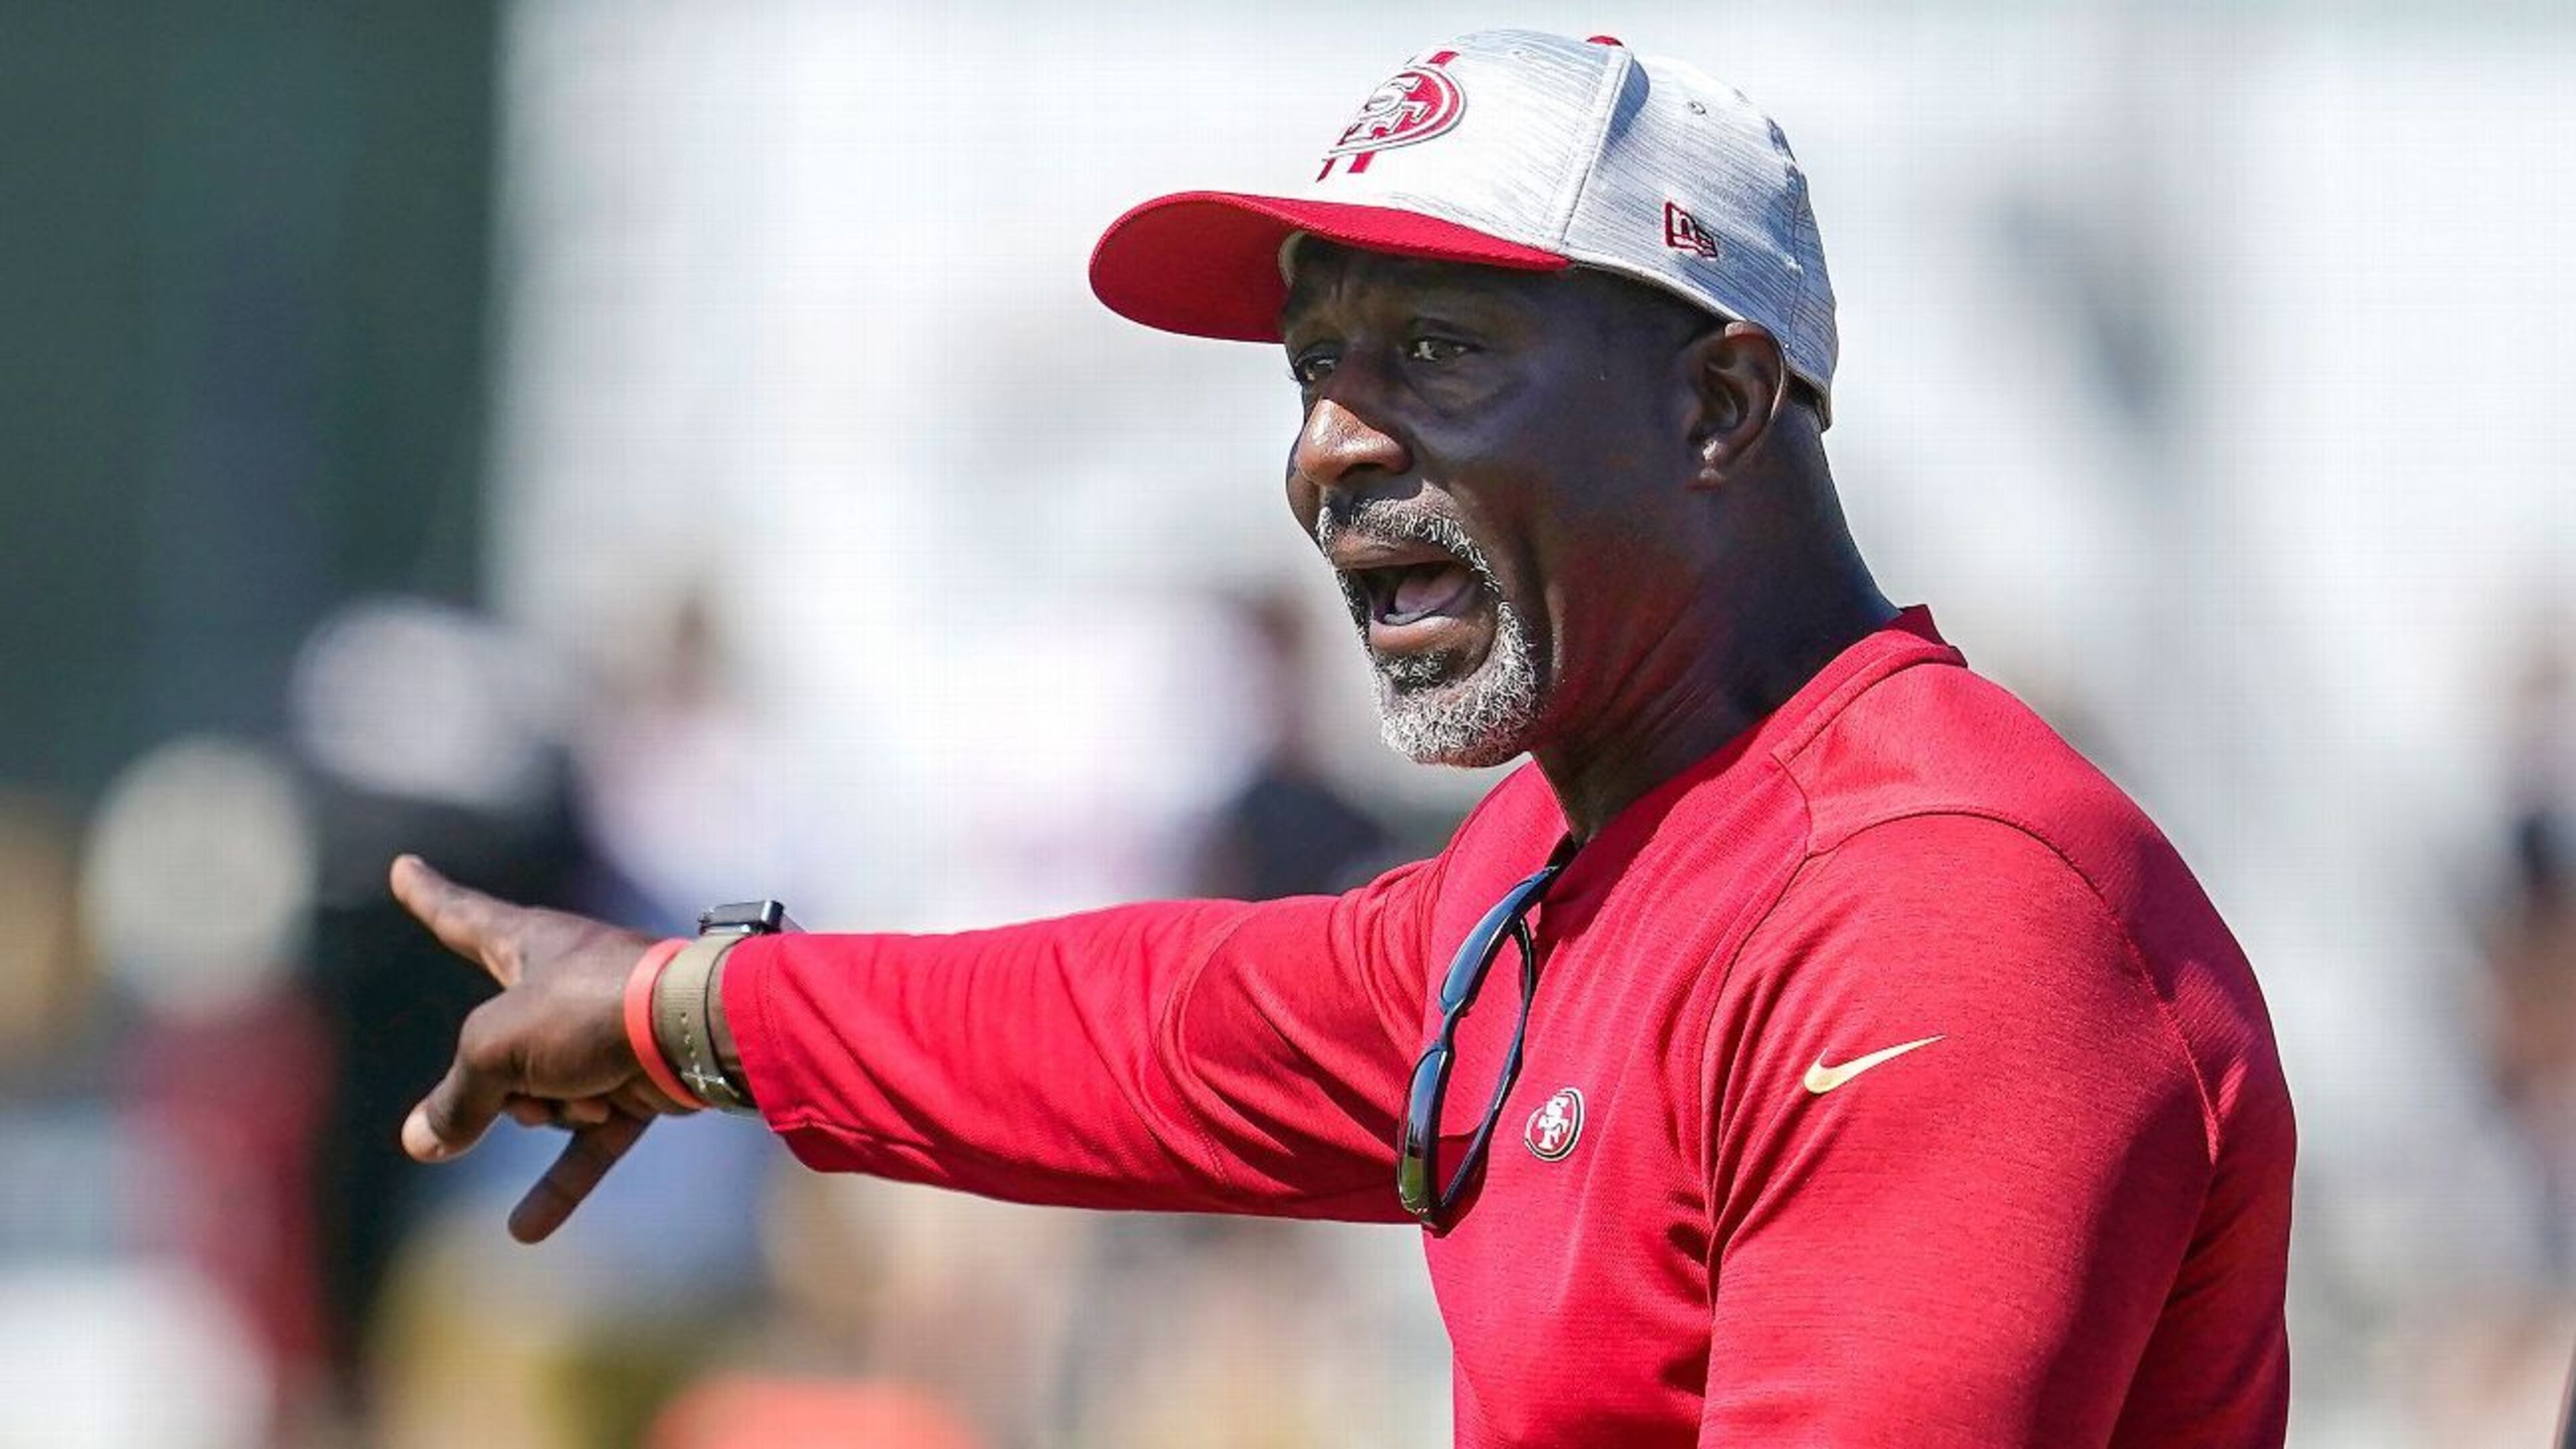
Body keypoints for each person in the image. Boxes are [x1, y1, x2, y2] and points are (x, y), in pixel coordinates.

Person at [391, 30, 2294, 1446]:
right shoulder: (1574, 868)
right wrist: (678, 1011)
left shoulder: (1941, 918)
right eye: (1318, 367)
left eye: (1441, 356)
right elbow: (1165, 1030)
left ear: (1720, 403)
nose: (1327, 446)